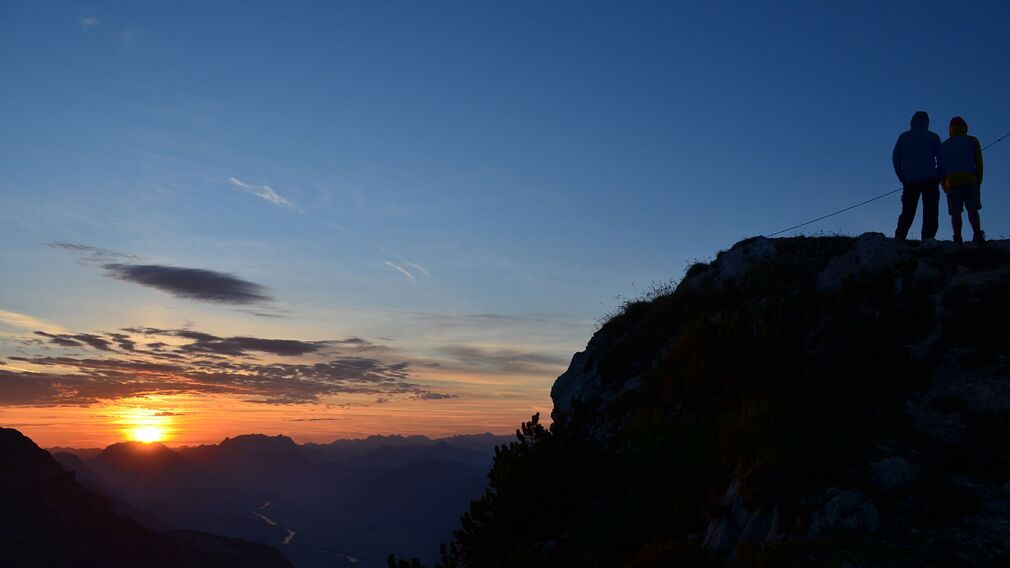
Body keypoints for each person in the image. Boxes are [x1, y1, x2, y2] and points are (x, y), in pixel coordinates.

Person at [892, 111, 945, 241]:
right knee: (930, 211)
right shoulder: (933, 137)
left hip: (912, 179)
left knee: (909, 211)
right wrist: (939, 175)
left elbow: (896, 158)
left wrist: (901, 175)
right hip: (928, 179)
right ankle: (927, 240)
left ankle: (900, 238)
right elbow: (942, 158)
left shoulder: (904, 137)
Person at [941, 116, 985, 244]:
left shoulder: (944, 144)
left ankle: (957, 237)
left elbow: (941, 167)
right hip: (970, 180)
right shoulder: (972, 140)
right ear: (964, 127)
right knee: (972, 209)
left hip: (951, 182)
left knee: (955, 213)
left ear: (950, 129)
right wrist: (979, 179)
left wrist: (944, 184)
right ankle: (977, 234)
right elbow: (979, 161)